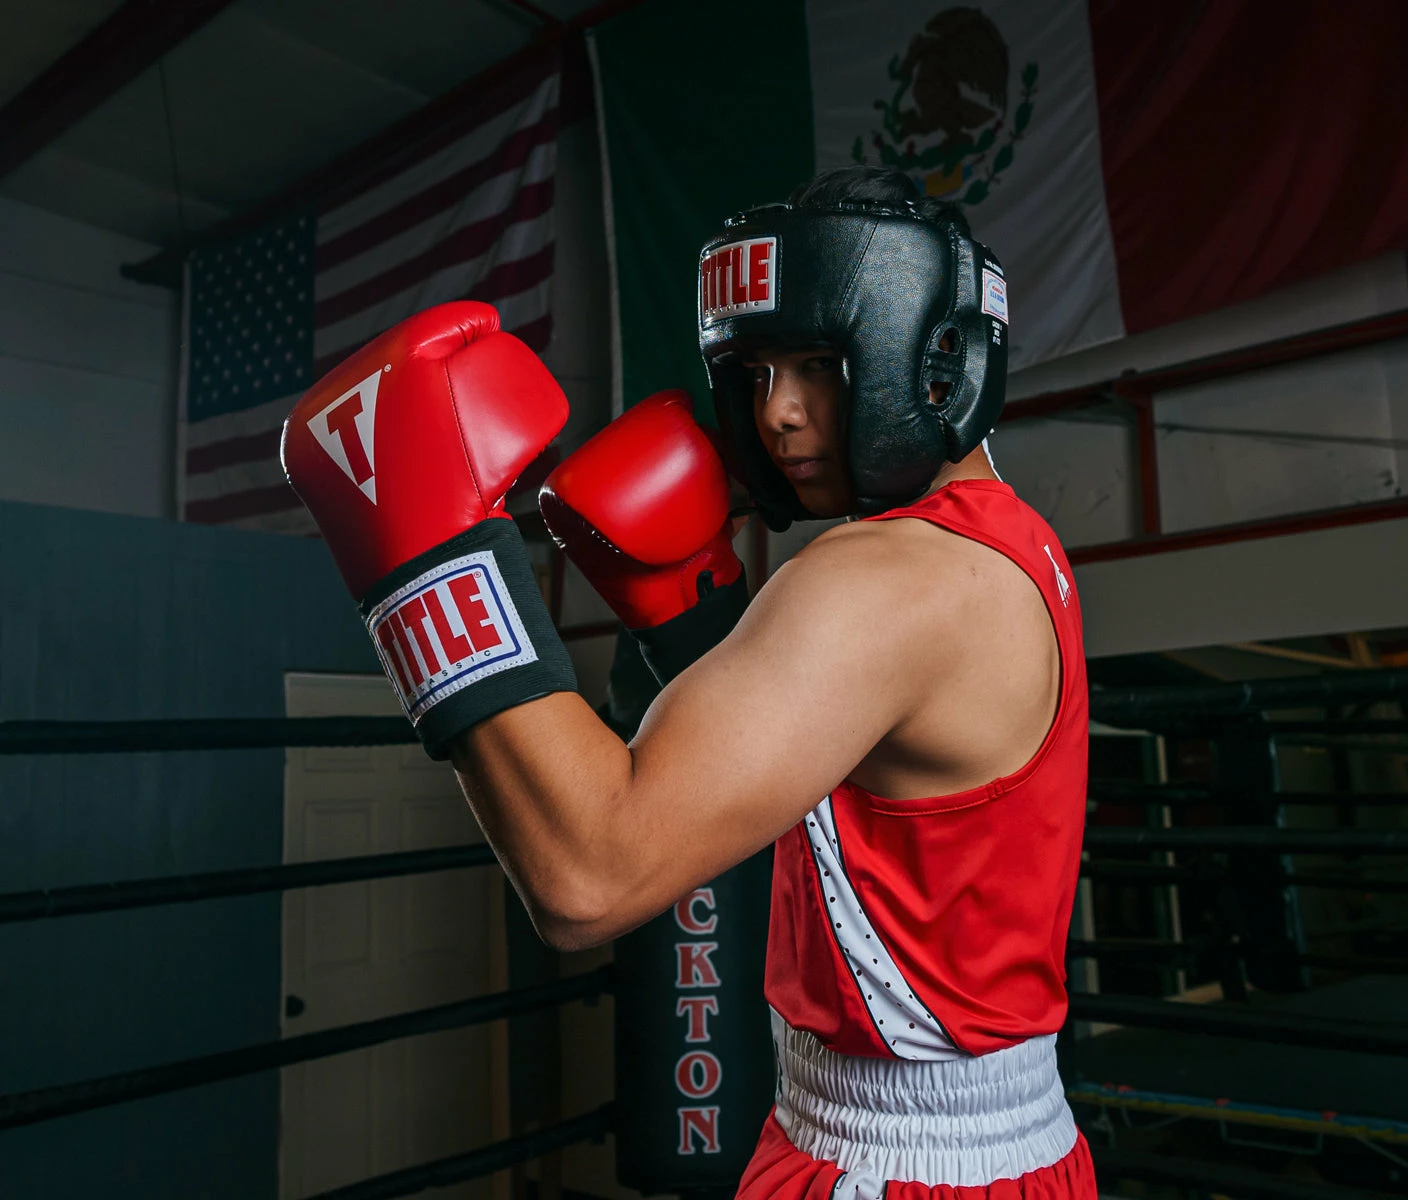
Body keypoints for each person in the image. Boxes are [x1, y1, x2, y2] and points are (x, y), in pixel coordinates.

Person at [282, 165, 1094, 1199]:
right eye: (756, 371)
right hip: (995, 1142)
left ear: (928, 361)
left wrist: (430, 564)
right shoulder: (1008, 545)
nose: (779, 416)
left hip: (898, 1171)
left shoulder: (883, 582)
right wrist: (693, 621)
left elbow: (590, 874)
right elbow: (843, 765)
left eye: (818, 364)